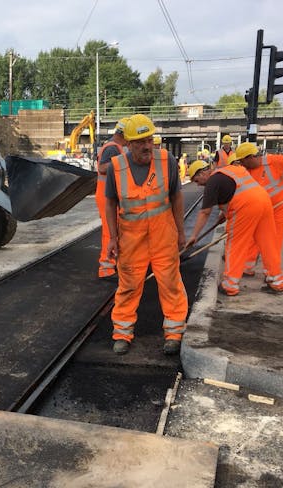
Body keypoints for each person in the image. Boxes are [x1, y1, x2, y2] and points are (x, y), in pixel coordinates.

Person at [104, 114, 188, 356]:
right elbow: (110, 203)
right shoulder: (116, 167)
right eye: (140, 141)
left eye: (149, 139)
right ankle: (122, 333)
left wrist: (181, 232)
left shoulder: (167, 160)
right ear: (128, 143)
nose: (146, 146)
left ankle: (173, 333)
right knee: (128, 285)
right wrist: (112, 237)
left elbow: (176, 197)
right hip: (131, 239)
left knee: (170, 283)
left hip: (164, 235)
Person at [185, 157, 283, 297]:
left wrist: (194, 236)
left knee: (236, 244)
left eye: (196, 180)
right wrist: (223, 214)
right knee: (267, 242)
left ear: (202, 173)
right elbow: (234, 191)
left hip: (245, 207)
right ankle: (276, 281)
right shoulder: (228, 171)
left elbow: (205, 212)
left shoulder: (212, 182)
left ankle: (230, 285)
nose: (198, 185)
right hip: (264, 201)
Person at [235, 142, 283, 276]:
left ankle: (272, 274)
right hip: (259, 209)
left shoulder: (274, 161)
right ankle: (247, 267)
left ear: (250, 157)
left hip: (279, 208)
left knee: (273, 242)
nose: (242, 164)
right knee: (252, 237)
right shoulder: (245, 172)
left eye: (243, 161)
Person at [95, 117, 129, 280]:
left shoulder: (116, 148)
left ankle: (113, 263)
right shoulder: (112, 148)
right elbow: (102, 167)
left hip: (110, 196)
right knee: (110, 232)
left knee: (115, 230)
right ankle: (106, 268)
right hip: (107, 196)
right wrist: (124, 162)